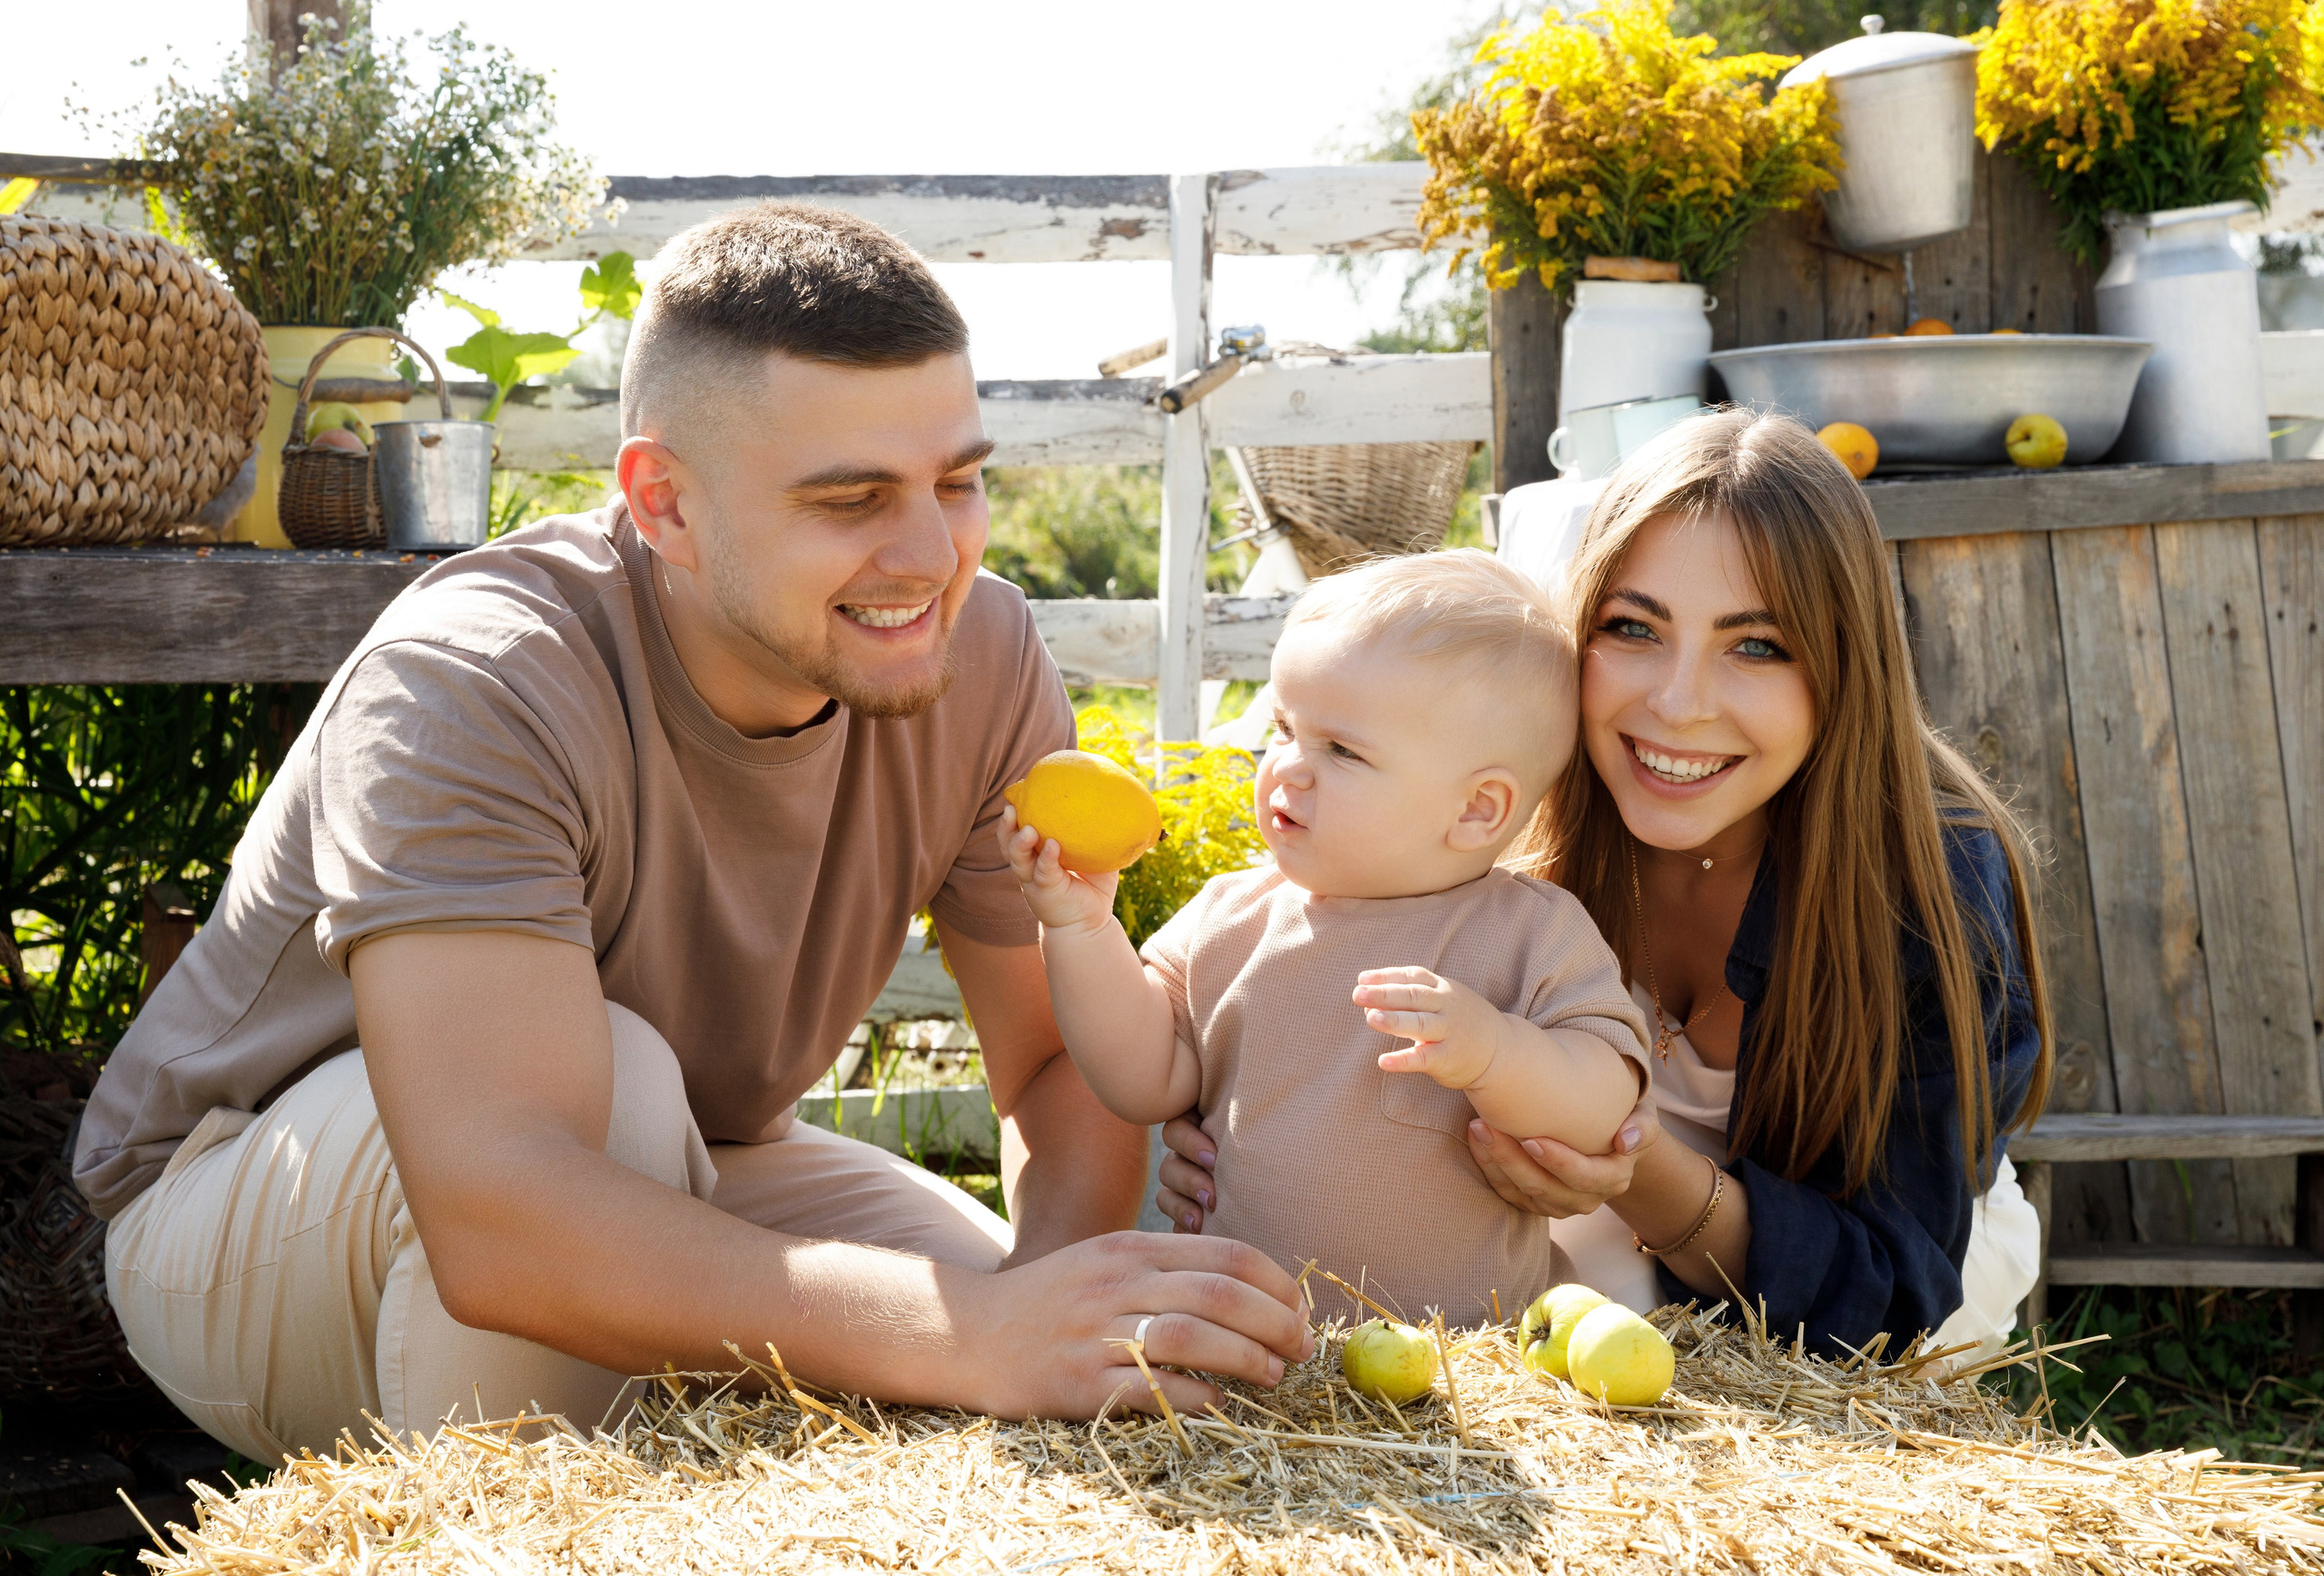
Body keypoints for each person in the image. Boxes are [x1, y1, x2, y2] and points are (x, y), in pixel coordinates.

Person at [73, 202, 1312, 1461]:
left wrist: (1045, 1300)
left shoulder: (976, 649)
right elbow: (506, 1220)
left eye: (957, 480)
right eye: (851, 499)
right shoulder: (477, 677)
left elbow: (1060, 1068)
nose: (935, 554)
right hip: (253, 1208)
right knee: (643, 1105)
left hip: (702, 1163)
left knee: (1115, 1343)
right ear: (661, 501)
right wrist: (967, 1340)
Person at [1157, 409, 2052, 1357]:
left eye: (1756, 645)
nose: (1676, 702)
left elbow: (1882, 1292)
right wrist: (1235, 1128)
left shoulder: (1928, 879)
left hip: (1860, 1272)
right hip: (1547, 1215)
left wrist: (1630, 1164)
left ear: (1842, 667)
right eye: (1633, 628)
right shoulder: (1499, 791)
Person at [1003, 551, 1651, 1325]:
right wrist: (1080, 930)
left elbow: (1601, 1104)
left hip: (1470, 1363)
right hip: (1258, 1352)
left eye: (1340, 750)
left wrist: (1495, 1053)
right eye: (1283, 727)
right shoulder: (1232, 917)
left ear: (1478, 810)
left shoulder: (1529, 930)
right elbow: (1142, 1080)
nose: (1286, 768)